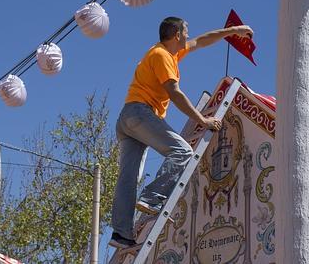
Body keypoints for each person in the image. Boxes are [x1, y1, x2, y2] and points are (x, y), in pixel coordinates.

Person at [109, 17, 254, 248]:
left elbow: (202, 41)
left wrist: (232, 31)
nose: (188, 36)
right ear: (177, 34)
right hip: (140, 114)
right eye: (186, 31)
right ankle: (152, 197)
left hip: (128, 120)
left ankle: (121, 234)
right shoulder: (162, 56)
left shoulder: (171, 53)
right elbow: (175, 93)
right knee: (183, 151)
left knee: (127, 178)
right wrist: (203, 119)